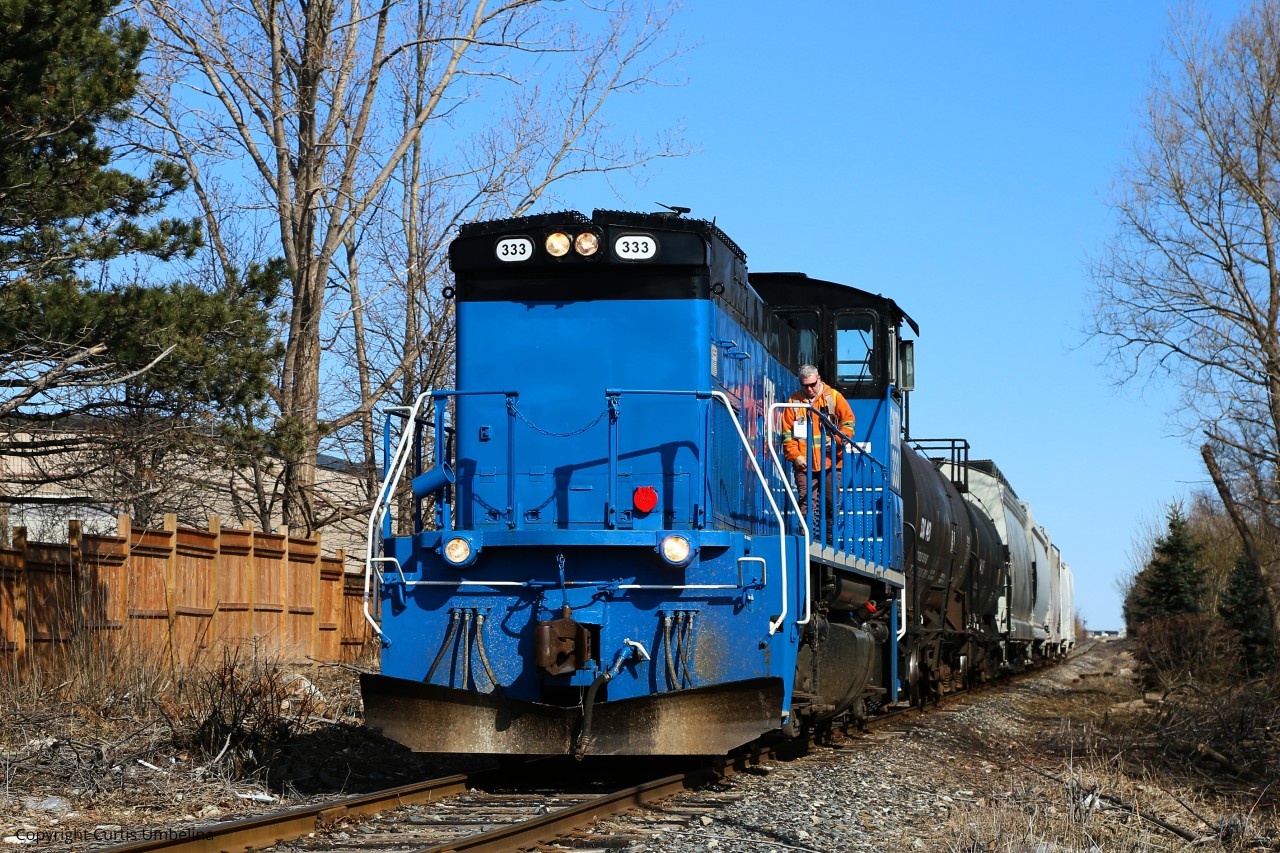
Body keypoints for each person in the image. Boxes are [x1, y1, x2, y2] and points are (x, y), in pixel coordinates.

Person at [780, 365, 856, 541]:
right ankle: (805, 536)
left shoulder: (834, 397)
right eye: (804, 385)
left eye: (812, 384)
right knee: (806, 501)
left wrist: (837, 440)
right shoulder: (793, 402)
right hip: (803, 463)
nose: (809, 389)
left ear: (819, 379)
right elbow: (786, 435)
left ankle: (830, 537)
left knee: (831, 501)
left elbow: (849, 422)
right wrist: (795, 456)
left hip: (830, 461)